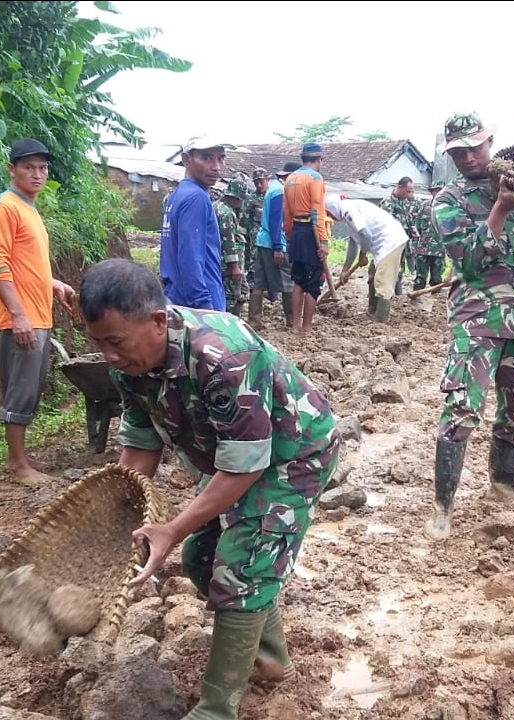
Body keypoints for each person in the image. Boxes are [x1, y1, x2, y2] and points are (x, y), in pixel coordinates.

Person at [77, 258, 341, 720]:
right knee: (202, 560)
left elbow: (246, 468)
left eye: (115, 342)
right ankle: (270, 658)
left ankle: (216, 710)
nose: (109, 356)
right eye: (99, 343)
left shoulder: (224, 354)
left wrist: (172, 528)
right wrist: (121, 521)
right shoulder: (128, 364)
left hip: (294, 454)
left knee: (241, 563)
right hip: (232, 457)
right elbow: (140, 443)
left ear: (158, 321)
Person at [425, 112, 514, 541]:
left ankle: (505, 488)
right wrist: (500, 208)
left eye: (473, 148)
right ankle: (442, 507)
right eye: (458, 152)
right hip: (477, 323)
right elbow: (468, 261)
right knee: (462, 409)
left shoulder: (513, 184)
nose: (467, 158)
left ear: (490, 143)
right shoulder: (448, 200)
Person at [0, 138, 76, 483]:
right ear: (12, 169)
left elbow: (27, 262)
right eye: (29, 167)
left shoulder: (28, 208)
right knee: (20, 388)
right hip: (22, 316)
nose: (37, 174)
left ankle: (20, 458)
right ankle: (17, 465)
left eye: (42, 168)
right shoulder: (4, 208)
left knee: (31, 387)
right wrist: (18, 314)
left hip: (39, 312)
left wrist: (53, 282)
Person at [160, 136, 235, 311]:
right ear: (186, 159)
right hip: (198, 304)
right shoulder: (196, 198)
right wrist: (205, 306)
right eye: (206, 158)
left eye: (220, 158)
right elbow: (190, 257)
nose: (216, 167)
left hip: (177, 297)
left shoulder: (177, 195)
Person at [324, 194, 407, 323]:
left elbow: (366, 235)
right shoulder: (348, 212)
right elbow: (353, 242)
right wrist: (345, 269)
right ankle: (372, 312)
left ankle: (380, 321)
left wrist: (363, 255)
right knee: (373, 277)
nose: (330, 217)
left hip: (391, 242)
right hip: (381, 246)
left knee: (383, 282)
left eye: (329, 214)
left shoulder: (348, 210)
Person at [283, 143, 329, 333]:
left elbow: (287, 213)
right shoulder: (315, 178)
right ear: (319, 160)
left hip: (296, 231)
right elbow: (317, 210)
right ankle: (307, 327)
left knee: (299, 280)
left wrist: (289, 235)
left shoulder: (290, 179)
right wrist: (323, 241)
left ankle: (295, 326)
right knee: (313, 282)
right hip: (311, 232)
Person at [249, 162, 300, 330]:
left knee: (260, 281)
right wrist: (278, 247)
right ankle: (291, 320)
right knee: (287, 280)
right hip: (272, 241)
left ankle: (254, 320)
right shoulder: (279, 192)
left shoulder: (273, 189)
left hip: (263, 241)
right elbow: (276, 221)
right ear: (290, 177)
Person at [215, 178, 250, 316]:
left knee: (241, 291)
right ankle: (230, 324)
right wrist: (234, 266)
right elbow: (228, 240)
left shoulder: (216, 206)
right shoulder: (226, 213)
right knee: (232, 296)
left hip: (221, 261)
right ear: (236, 198)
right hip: (228, 264)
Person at [380, 176, 420, 295]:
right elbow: (385, 225)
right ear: (400, 187)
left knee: (399, 268)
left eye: (411, 191)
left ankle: (397, 294)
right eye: (407, 191)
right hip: (391, 244)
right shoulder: (387, 203)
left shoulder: (405, 202)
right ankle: (390, 294)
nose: (409, 194)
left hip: (402, 243)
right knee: (390, 270)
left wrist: (413, 229)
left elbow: (408, 220)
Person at [412, 181, 446, 291]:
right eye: (433, 191)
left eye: (438, 190)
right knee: (420, 277)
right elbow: (417, 225)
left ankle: (436, 304)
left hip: (439, 248)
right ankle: (416, 301)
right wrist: (415, 243)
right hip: (423, 247)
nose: (435, 193)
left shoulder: (448, 207)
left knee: (436, 278)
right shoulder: (424, 205)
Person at [243, 168, 270, 292]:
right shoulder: (251, 198)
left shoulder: (273, 195)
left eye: (261, 181)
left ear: (267, 180)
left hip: (271, 234)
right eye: (256, 182)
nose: (259, 185)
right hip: (255, 234)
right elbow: (245, 219)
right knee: (254, 258)